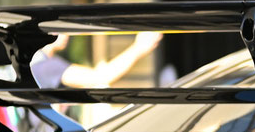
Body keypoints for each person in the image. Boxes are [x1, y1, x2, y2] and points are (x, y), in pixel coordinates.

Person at [29, 30, 162, 90]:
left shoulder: (38, 61)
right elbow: (100, 77)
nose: (67, 33)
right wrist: (138, 48)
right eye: (59, 28)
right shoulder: (47, 66)